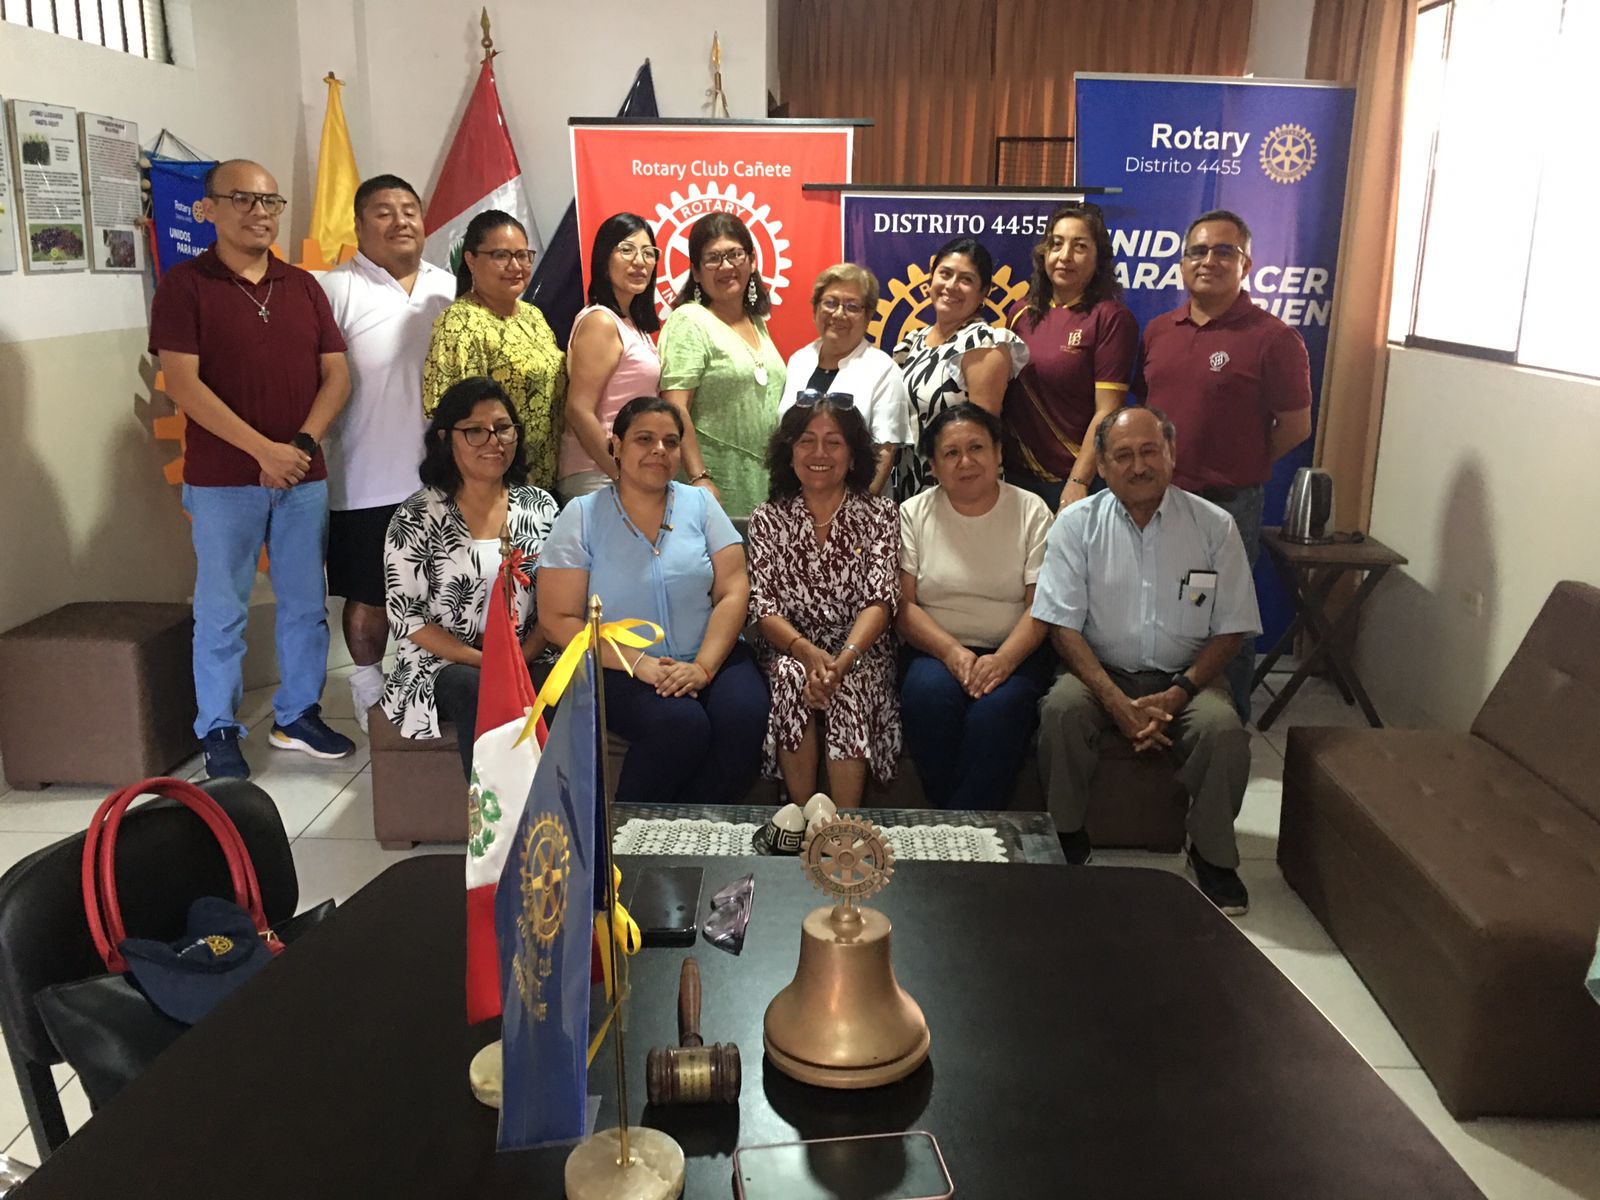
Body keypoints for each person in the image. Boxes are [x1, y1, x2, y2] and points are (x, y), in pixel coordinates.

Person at [149, 158, 353, 781]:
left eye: (270, 202)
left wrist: (298, 446)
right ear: (208, 208)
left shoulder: (303, 286)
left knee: (305, 605)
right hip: (222, 483)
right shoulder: (185, 286)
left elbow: (337, 376)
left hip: (301, 478)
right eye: (243, 199)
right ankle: (217, 727)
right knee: (222, 609)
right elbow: (184, 385)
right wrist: (264, 451)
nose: (260, 212)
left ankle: (297, 715)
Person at [1033, 406, 1260, 915]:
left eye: (1150, 451)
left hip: (1190, 676)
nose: (1139, 466)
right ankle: (1066, 835)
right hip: (1098, 671)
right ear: (1102, 466)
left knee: (1223, 730)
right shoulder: (1076, 525)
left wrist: (1180, 692)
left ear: (1171, 454)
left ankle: (1212, 856)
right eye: (1123, 456)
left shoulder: (1214, 526)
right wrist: (1115, 701)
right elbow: (1061, 626)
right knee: (1062, 710)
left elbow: (1233, 627)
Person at [537, 396, 769, 805]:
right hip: (618, 667)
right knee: (680, 724)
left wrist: (703, 667)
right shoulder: (582, 515)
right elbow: (558, 619)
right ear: (616, 446)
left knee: (745, 717)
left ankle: (696, 828)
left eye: (671, 441)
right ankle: (628, 833)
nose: (659, 450)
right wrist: (639, 663)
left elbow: (734, 589)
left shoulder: (700, 504)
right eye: (644, 439)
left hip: (710, 653)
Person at [1133, 209, 1312, 721]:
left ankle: (1228, 726)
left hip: (1227, 506)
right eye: (1198, 251)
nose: (1208, 260)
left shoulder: (1274, 338)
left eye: (1223, 251)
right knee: (1158, 608)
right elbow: (1146, 409)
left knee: (1223, 619)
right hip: (1159, 502)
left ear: (1246, 263)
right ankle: (1159, 712)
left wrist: (1240, 460)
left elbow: (1296, 426)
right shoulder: (1159, 331)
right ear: (1182, 263)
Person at [318, 174, 455, 731]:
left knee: (445, 590)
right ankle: (368, 687)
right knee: (370, 595)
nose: (400, 221)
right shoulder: (333, 289)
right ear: (358, 225)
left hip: (447, 479)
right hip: (365, 476)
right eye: (383, 211)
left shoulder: (450, 288)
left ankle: (436, 686)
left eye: (409, 210)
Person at [379, 378, 559, 781]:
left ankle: (558, 808)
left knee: (564, 685)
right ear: (446, 439)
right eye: (475, 431)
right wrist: (488, 662)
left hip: (528, 652)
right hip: (442, 662)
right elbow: (408, 619)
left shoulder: (540, 507)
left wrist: (522, 655)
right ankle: (495, 811)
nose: (493, 441)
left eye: (503, 428)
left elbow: (557, 598)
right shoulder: (415, 516)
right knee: (476, 689)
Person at [897, 404, 1054, 809]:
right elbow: (903, 606)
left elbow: (1040, 607)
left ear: (999, 454)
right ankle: (961, 825)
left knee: (998, 712)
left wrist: (1002, 661)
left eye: (977, 448)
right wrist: (953, 653)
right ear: (933, 466)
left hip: (1014, 651)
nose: (965, 461)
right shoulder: (913, 513)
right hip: (935, 650)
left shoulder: (1032, 510)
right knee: (928, 697)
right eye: (951, 453)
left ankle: (956, 824)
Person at [747, 396, 900, 808]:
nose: (819, 453)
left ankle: (841, 826)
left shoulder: (880, 515)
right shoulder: (768, 519)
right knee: (790, 676)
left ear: (852, 456)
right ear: (789, 453)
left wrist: (842, 659)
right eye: (806, 441)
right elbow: (764, 607)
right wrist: (806, 652)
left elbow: (880, 600)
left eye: (833, 442)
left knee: (845, 680)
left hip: (862, 650)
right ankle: (803, 817)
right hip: (790, 647)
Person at [1004, 203, 1138, 512]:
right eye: (1056, 244)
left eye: (1079, 246)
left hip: (1073, 482)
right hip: (1015, 477)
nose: (1065, 256)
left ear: (1098, 257)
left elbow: (1108, 410)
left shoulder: (1110, 318)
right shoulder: (1020, 312)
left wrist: (1078, 481)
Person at [422, 209, 566, 491]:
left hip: (543, 485)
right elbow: (455, 419)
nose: (516, 266)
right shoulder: (459, 323)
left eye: (523, 255)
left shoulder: (533, 316)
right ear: (470, 259)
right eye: (501, 255)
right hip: (492, 485)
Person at [658, 212, 787, 518]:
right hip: (712, 488)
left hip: (764, 485)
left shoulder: (757, 323)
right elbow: (675, 407)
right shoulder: (690, 320)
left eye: (735, 254)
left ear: (752, 261)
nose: (726, 266)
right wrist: (699, 477)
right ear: (696, 272)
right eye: (713, 258)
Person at [893, 236, 1027, 500]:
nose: (951, 286)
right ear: (931, 279)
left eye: (966, 279)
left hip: (962, 491)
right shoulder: (913, 342)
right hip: (910, 490)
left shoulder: (984, 344)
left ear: (983, 293)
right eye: (945, 274)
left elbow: (980, 438)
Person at [556, 212, 663, 501]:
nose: (639, 261)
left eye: (648, 253)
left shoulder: (634, 325)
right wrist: (620, 473)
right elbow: (578, 410)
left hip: (626, 472)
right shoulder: (600, 321)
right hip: (597, 474)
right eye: (627, 250)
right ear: (604, 258)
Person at [780, 264, 911, 495]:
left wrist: (854, 511)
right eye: (830, 303)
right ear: (815, 308)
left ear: (868, 316)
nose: (839, 314)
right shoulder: (798, 360)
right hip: (793, 501)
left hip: (855, 504)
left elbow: (884, 452)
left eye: (852, 306)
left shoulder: (883, 369)